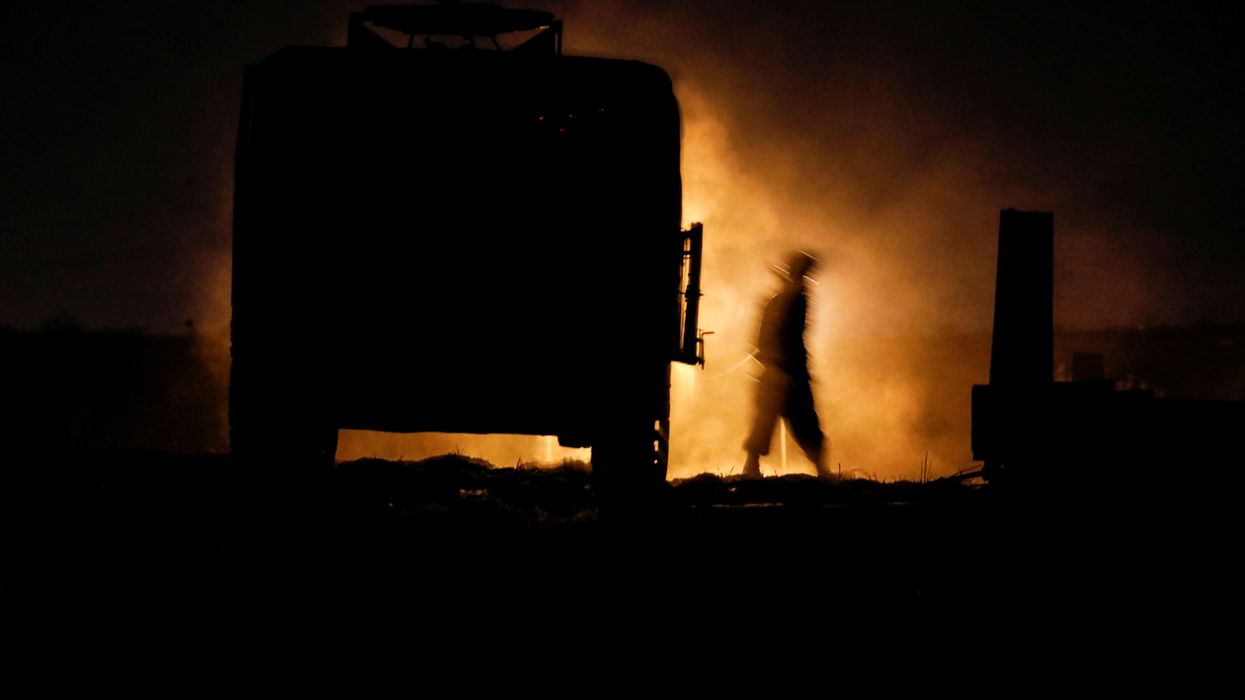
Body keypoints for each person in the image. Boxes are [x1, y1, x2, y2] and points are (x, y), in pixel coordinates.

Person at [742, 251, 833, 479]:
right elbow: (780, 336)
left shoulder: (785, 299)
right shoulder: (792, 300)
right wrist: (780, 366)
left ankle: (751, 468)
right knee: (797, 421)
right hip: (786, 371)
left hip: (779, 370)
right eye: (805, 273)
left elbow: (763, 337)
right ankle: (821, 471)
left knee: (771, 421)